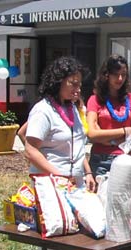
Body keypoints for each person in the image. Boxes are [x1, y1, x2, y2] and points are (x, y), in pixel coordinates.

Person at [23, 56, 95, 192]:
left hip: (75, 183)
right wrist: (58, 175)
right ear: (58, 82)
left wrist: (88, 172)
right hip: (50, 184)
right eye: (73, 83)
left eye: (79, 84)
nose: (78, 89)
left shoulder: (73, 108)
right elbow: (30, 150)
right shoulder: (43, 110)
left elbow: (77, 147)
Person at [86, 54, 131, 177]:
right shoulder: (94, 100)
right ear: (106, 75)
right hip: (100, 160)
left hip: (126, 159)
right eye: (115, 74)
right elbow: (92, 134)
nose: (120, 79)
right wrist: (125, 131)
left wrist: (107, 139)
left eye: (123, 74)